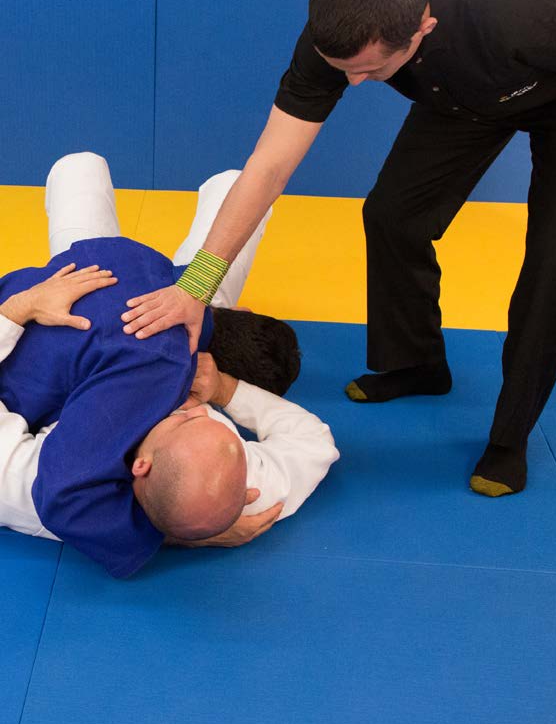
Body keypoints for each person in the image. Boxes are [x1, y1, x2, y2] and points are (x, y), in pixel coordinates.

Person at [120, 0, 556, 498]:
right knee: (392, 215)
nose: (354, 85)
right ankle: (418, 364)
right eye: (343, 71)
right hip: (467, 90)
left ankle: (511, 436)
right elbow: (271, 163)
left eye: (371, 71)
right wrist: (197, 285)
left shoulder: (533, 1)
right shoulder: (340, 28)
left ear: (422, 28)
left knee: (555, 259)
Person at [0, 153, 339, 576]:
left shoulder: (193, 455)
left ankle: (227, 184)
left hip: (86, 283)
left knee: (81, 166)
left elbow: (62, 498)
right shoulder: (204, 434)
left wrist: (17, 309)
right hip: (74, 292)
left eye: (188, 418)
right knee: (84, 176)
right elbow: (314, 444)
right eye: (205, 414)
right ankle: (228, 187)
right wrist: (226, 391)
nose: (193, 408)